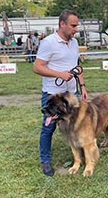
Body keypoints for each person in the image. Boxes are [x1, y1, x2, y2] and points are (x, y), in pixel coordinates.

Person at [33, 9, 88, 177]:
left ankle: (80, 156)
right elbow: (37, 67)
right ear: (62, 24)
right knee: (48, 127)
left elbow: (77, 67)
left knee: (77, 126)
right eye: (73, 25)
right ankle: (45, 160)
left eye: (76, 25)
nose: (76, 29)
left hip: (72, 94)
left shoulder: (74, 42)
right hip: (53, 94)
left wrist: (83, 86)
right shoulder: (49, 42)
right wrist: (60, 74)